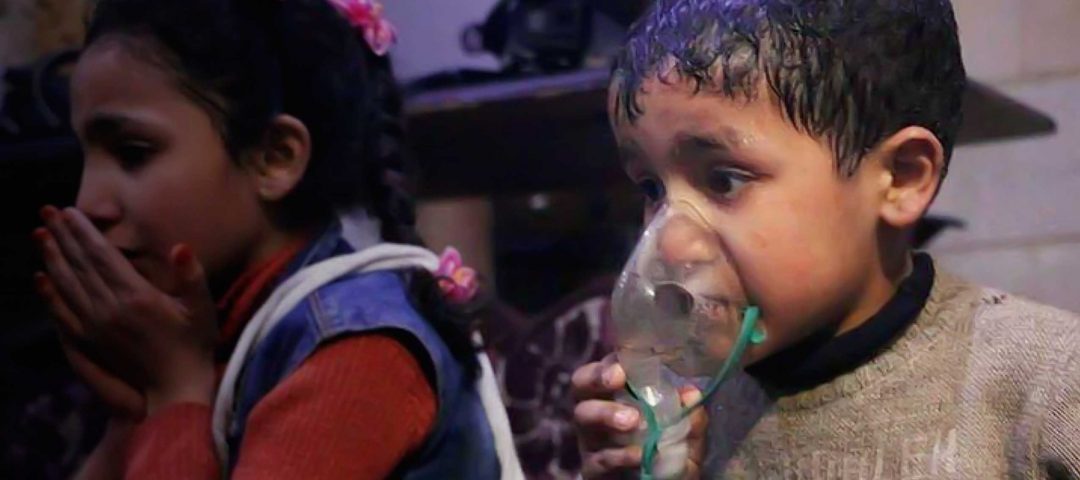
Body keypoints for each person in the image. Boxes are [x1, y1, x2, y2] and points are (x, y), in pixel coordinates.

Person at [571, 0, 1080, 477]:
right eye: (652, 188)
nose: (668, 243)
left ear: (901, 177)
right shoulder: (686, 406)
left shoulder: (1049, 386)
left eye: (724, 180)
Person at [32, 0, 516, 478]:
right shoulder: (205, 335)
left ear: (274, 158)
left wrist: (174, 395)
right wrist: (133, 415)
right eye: (86, 159)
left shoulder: (360, 350)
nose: (88, 202)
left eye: (132, 152)